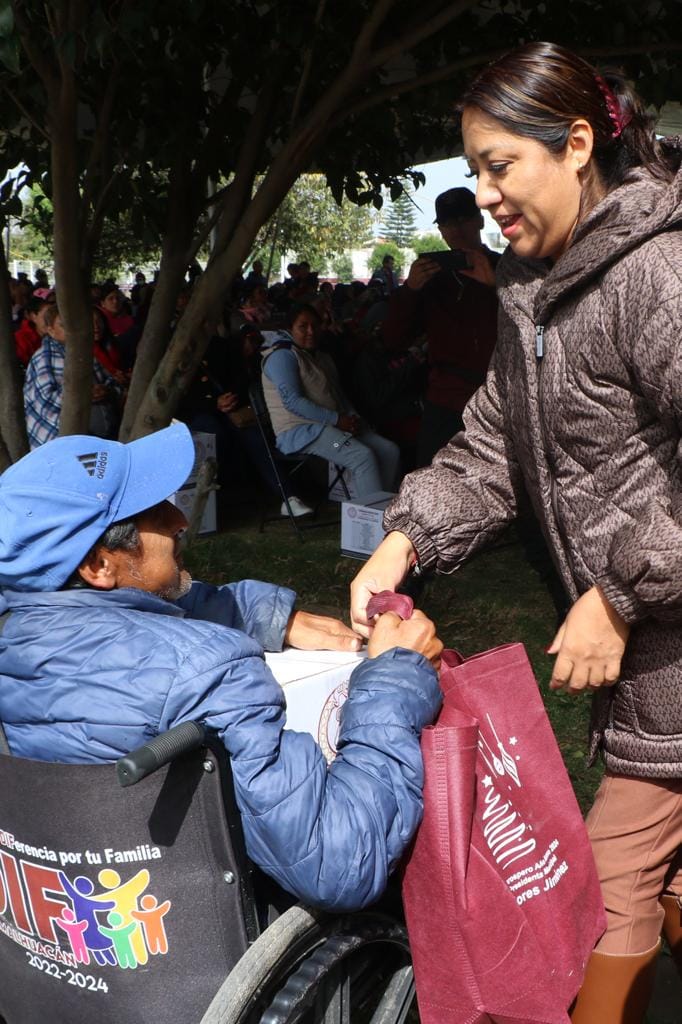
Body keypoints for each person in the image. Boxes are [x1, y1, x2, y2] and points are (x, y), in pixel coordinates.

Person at [350, 41, 682, 1024]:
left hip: (661, 652)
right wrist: (405, 536)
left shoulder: (658, 273)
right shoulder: (534, 288)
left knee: (610, 900)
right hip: (648, 678)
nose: (485, 194)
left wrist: (618, 598)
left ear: (576, 144)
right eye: (473, 173)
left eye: (501, 165)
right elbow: (493, 445)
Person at [0, 423, 442, 912]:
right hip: (218, 928)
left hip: (88, 921)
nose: (179, 519)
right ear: (100, 566)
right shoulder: (210, 671)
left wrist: (271, 617)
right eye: (153, 511)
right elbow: (337, 863)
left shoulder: (20, 633)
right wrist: (393, 677)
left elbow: (138, 622)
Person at [382, 187, 499, 466]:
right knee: (433, 479)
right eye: (447, 224)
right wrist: (410, 290)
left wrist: (496, 287)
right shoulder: (432, 278)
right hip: (444, 399)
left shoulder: (507, 267)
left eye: (462, 220)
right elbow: (392, 339)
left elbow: (535, 325)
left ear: (479, 220)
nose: (455, 231)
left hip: (497, 397)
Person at [261, 305, 401, 501]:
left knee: (389, 450)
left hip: (331, 428)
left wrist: (352, 418)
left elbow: (338, 395)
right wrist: (337, 420)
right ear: (289, 328)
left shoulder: (319, 356)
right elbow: (293, 402)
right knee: (361, 456)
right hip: (302, 433)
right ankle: (372, 520)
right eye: (303, 326)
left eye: (315, 326)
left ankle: (380, 510)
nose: (311, 331)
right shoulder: (282, 356)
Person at [23, 305, 122, 448]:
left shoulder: (81, 352)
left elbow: (110, 381)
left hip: (99, 441)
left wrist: (106, 390)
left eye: (73, 324)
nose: (71, 330)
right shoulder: (45, 357)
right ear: (51, 330)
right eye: (64, 326)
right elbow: (45, 399)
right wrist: (83, 395)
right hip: (63, 444)